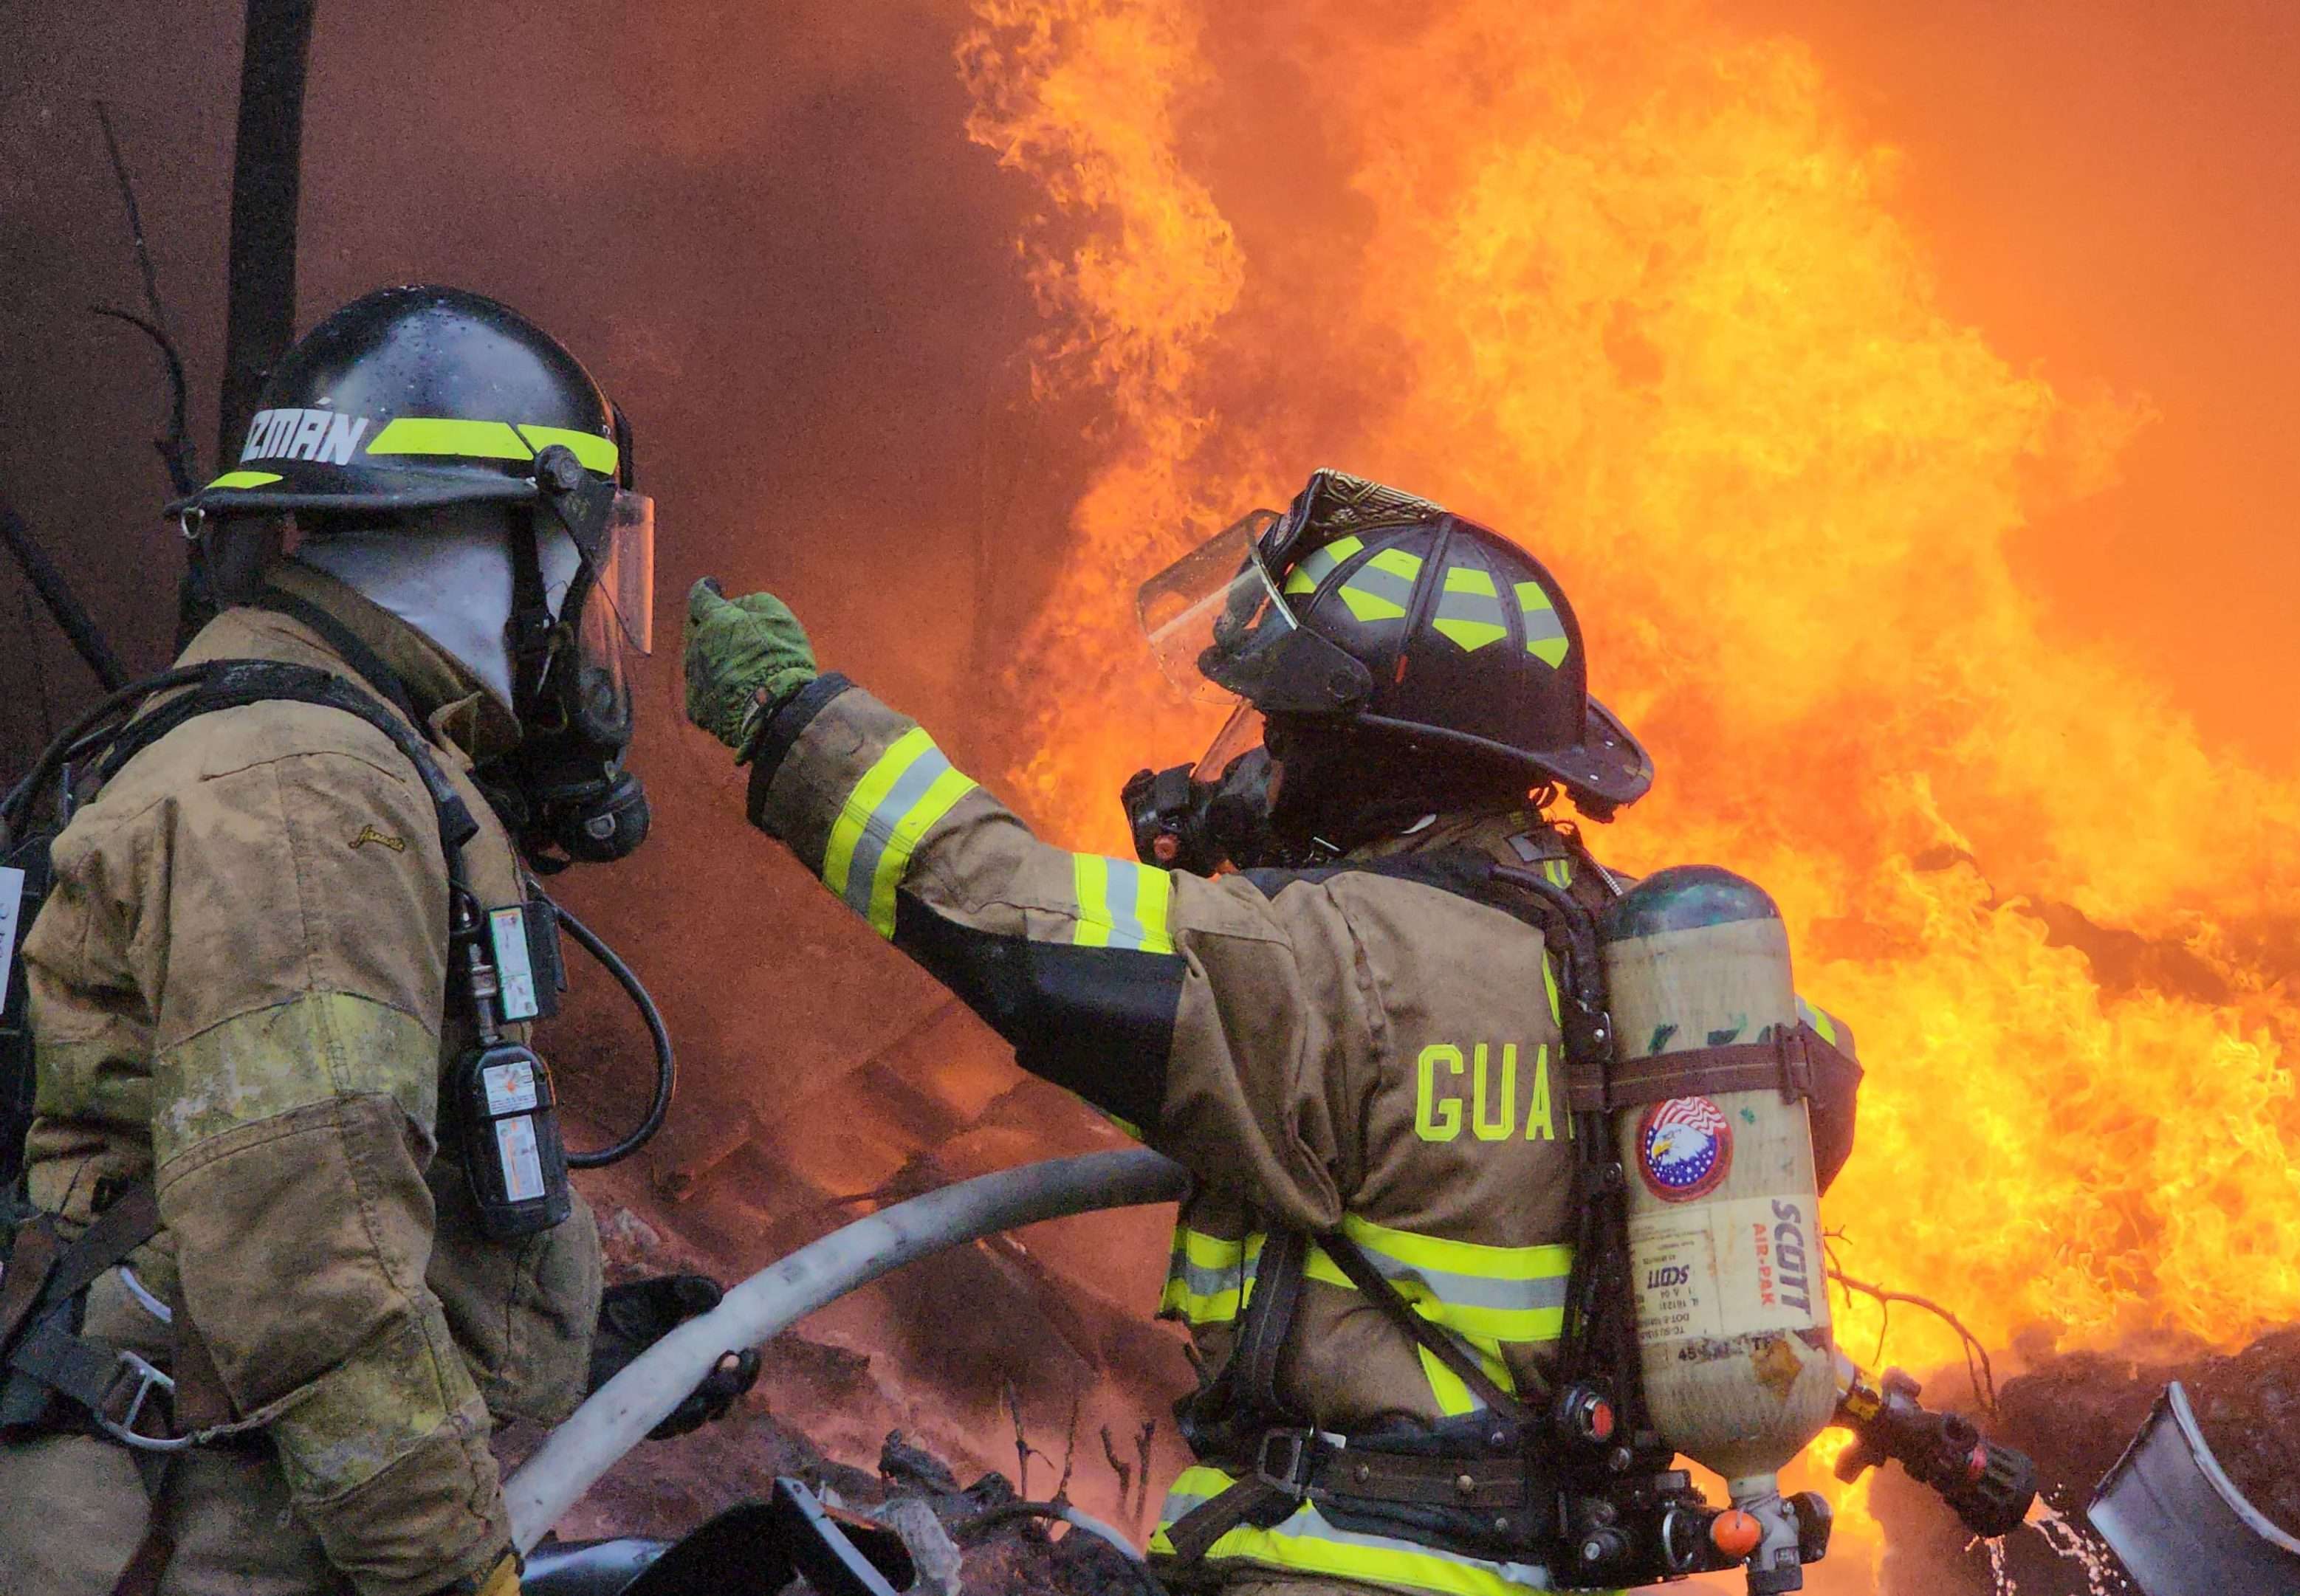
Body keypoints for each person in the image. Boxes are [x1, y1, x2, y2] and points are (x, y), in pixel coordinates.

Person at [683, 469, 2014, 1596]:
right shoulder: (1662, 979)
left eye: (1291, 729)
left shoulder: (1339, 964)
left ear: (1375, 751)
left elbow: (1016, 925)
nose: (1263, 756)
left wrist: (795, 721)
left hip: (1334, 1561)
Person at [0, 285, 738, 1596]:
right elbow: (315, 1276)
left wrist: (580, 1346)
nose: (583, 617)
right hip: (176, 1545)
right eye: (581, 561)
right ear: (499, 538)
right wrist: (461, 1572)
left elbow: (309, 1194)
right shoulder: (307, 795)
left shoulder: (306, 730)